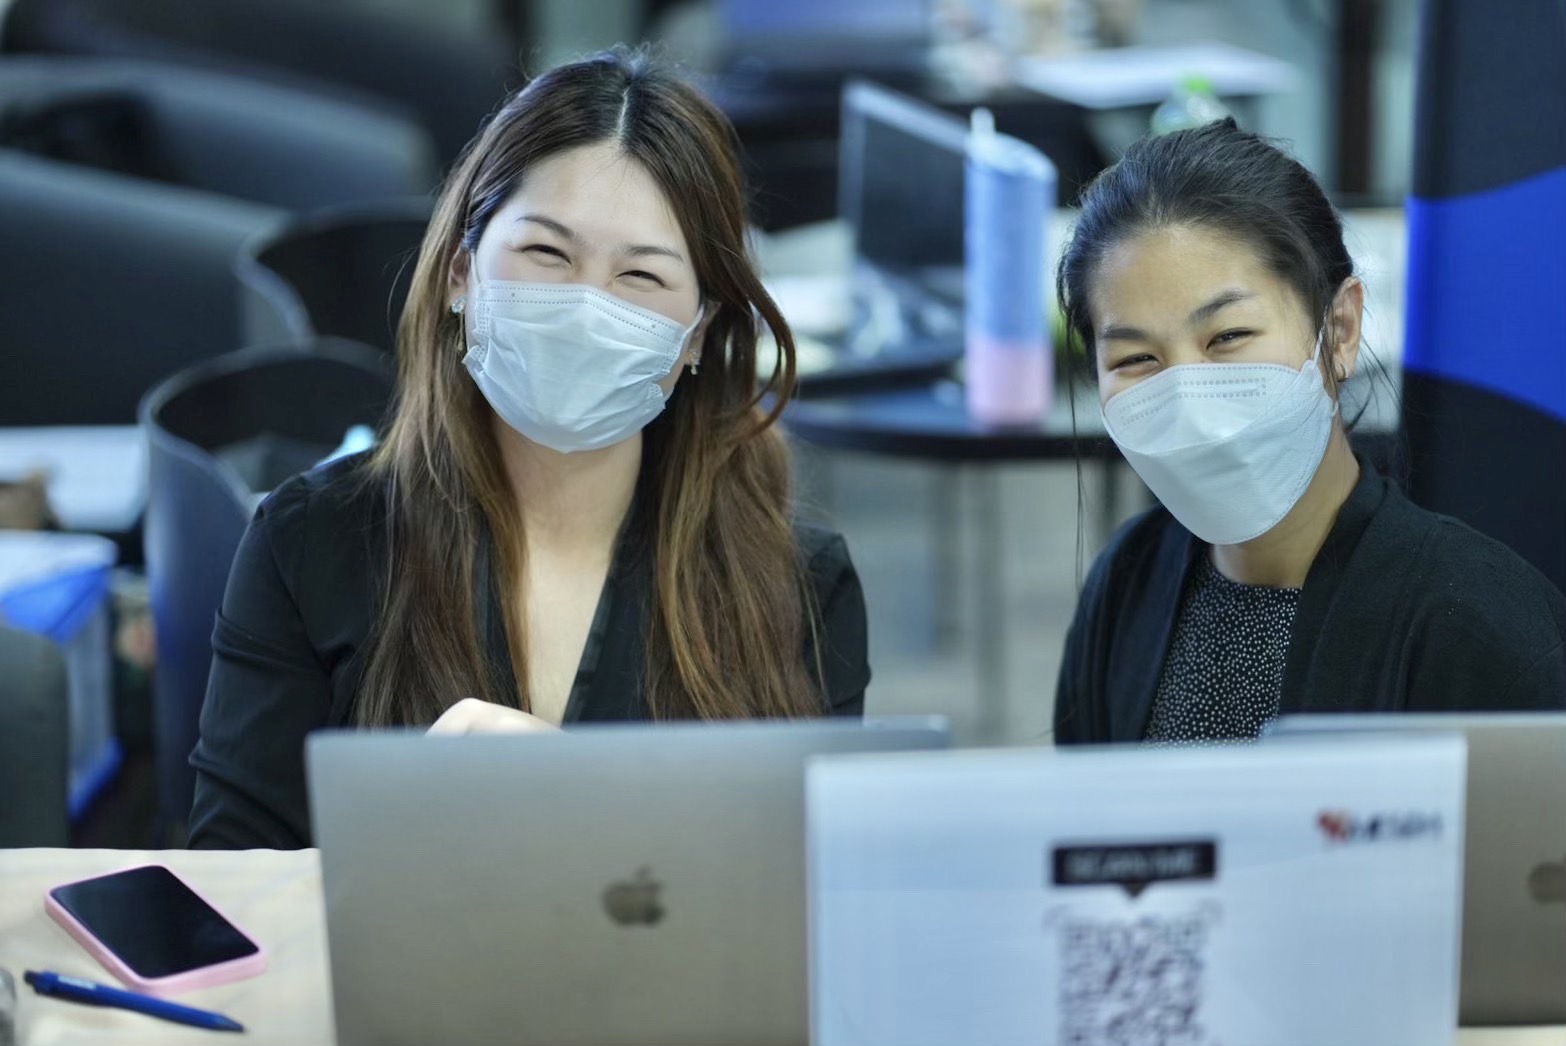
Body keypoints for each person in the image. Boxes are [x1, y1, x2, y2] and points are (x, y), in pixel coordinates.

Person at [188, 47, 870, 848]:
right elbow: (227, 879)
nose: (585, 307)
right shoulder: (311, 541)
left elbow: (814, 889)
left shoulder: (798, 586)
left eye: (640, 278)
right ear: (460, 272)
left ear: (696, 335)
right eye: (547, 253)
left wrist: (577, 800)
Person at [1053, 118, 1566, 745]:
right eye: (1136, 359)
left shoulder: (1474, 622)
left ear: (1340, 329)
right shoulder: (1129, 580)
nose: (1187, 399)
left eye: (1229, 336)